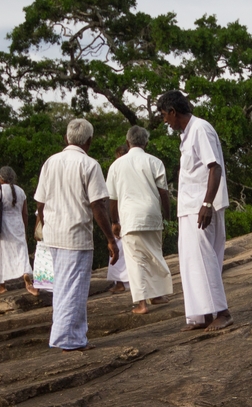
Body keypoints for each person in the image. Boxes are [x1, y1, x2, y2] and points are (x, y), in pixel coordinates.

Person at [34, 118, 119, 351]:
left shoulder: (50, 162)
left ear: (66, 138)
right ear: (89, 141)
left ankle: (66, 335)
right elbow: (98, 206)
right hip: (76, 236)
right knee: (74, 289)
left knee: (62, 287)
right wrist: (110, 239)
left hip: (53, 234)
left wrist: (46, 222)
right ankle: (69, 339)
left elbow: (40, 203)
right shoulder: (89, 165)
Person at [157, 90, 232, 331]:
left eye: (164, 116)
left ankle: (222, 312)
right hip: (190, 207)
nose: (165, 121)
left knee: (204, 259)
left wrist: (207, 204)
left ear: (173, 112)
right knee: (191, 262)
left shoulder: (200, 129)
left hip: (202, 207)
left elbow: (215, 167)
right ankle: (202, 316)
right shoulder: (188, 135)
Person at [107, 125, 174, 315]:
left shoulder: (116, 165)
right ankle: (158, 294)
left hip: (129, 216)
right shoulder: (154, 161)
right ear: (146, 142)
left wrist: (114, 221)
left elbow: (112, 198)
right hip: (152, 214)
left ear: (128, 142)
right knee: (155, 254)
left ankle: (142, 303)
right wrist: (167, 217)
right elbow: (163, 193)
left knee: (135, 260)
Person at [0, 166, 37, 295]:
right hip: (17, 224)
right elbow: (25, 213)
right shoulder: (21, 191)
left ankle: (2, 286)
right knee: (21, 252)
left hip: (3, 225)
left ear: (1, 178)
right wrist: (24, 229)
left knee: (1, 252)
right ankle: (26, 278)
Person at [106, 144, 131, 295]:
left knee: (122, 247)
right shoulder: (118, 168)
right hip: (122, 211)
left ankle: (123, 282)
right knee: (119, 247)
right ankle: (120, 281)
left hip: (125, 211)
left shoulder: (119, 168)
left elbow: (111, 197)